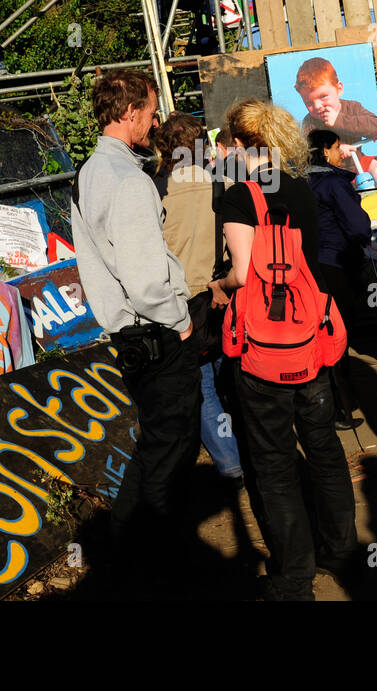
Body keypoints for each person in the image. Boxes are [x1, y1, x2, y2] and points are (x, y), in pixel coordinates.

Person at [207, 98, 356, 600]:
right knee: (325, 450)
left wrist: (219, 284)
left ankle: (294, 578)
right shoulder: (302, 188)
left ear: (242, 144)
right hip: (311, 341)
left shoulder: (239, 197)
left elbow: (246, 274)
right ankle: (342, 552)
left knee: (272, 464)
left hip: (263, 350)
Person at [70, 70, 201, 554]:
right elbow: (146, 282)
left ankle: (128, 553)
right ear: (128, 113)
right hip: (158, 333)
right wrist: (181, 320)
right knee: (172, 450)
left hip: (133, 336)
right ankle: (154, 560)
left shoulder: (91, 171)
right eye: (149, 111)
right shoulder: (128, 180)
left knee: (156, 446)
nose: (154, 121)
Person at [151, 113, 243, 484]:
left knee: (202, 386)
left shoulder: (155, 192)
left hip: (182, 303)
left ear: (163, 147)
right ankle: (251, 451)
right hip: (226, 294)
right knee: (235, 379)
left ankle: (229, 462)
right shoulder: (226, 184)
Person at [306, 129, 371, 429]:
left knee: (322, 333)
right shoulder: (333, 182)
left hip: (312, 267)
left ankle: (333, 401)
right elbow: (357, 226)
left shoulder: (304, 181)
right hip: (336, 263)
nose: (340, 153)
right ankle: (341, 405)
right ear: (324, 151)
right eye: (335, 148)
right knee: (338, 336)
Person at [293, 56, 377, 187]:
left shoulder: (352, 108)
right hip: (333, 172)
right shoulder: (309, 122)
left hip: (359, 161)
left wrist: (339, 120)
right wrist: (336, 151)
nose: (317, 106)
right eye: (309, 103)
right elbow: (312, 152)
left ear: (339, 89)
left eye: (323, 96)